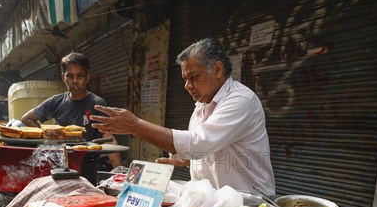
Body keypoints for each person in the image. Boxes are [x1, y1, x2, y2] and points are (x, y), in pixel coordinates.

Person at [91, 38, 276, 195]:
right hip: (216, 203)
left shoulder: (241, 100)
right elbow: (209, 148)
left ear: (218, 70)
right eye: (185, 79)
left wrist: (135, 125)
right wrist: (187, 160)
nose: (187, 85)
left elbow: (198, 143)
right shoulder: (201, 105)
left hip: (250, 203)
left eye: (194, 77)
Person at [21, 52, 121, 169]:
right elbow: (26, 118)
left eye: (80, 76)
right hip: (60, 164)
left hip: (88, 164)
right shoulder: (56, 102)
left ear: (87, 77)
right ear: (64, 77)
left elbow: (107, 137)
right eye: (70, 76)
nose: (74, 81)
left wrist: (118, 170)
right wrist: (46, 136)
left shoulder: (97, 104)